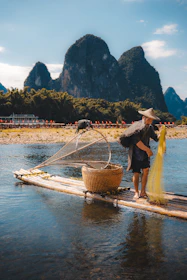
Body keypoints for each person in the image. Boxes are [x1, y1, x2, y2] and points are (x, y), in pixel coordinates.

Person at [126, 108, 160, 200]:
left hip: (144, 154)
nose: (150, 121)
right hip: (135, 153)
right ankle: (136, 192)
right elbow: (137, 142)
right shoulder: (137, 127)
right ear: (144, 117)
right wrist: (148, 150)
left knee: (146, 171)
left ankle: (143, 192)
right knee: (136, 172)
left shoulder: (150, 128)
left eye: (151, 119)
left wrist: (162, 134)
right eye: (149, 119)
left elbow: (156, 138)